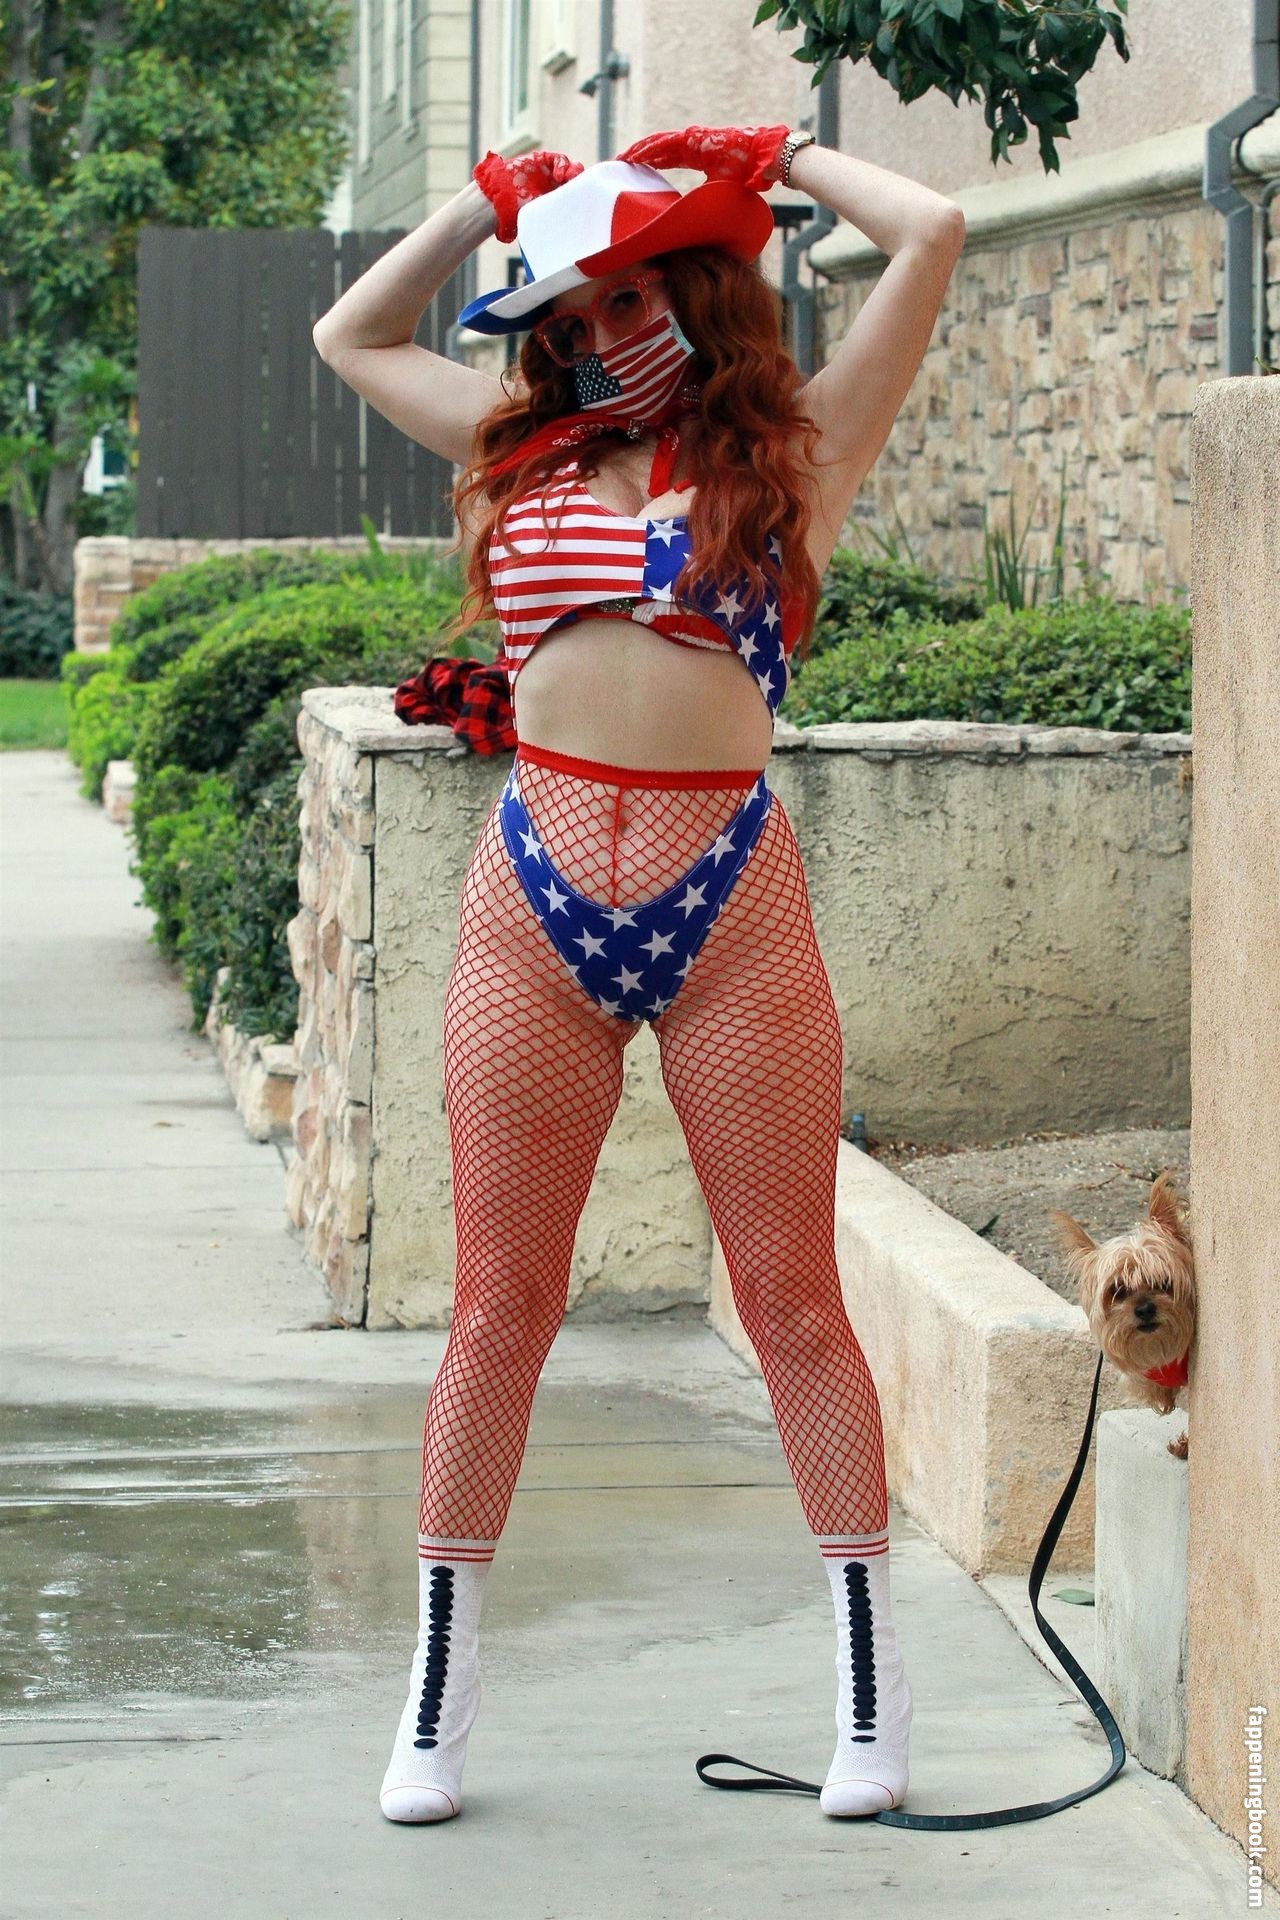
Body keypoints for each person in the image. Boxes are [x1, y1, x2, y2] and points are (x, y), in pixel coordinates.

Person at [312, 124, 965, 1826]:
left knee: (793, 1300)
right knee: (499, 1305)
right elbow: (351, 334)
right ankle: (438, 1701)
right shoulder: (516, 448)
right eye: (568, 315)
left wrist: (785, 153)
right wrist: (485, 203)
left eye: (628, 297)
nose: (599, 335)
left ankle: (871, 1693)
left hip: (729, 900)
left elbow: (935, 229)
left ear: (698, 291)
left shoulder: (797, 451)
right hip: (531, 903)